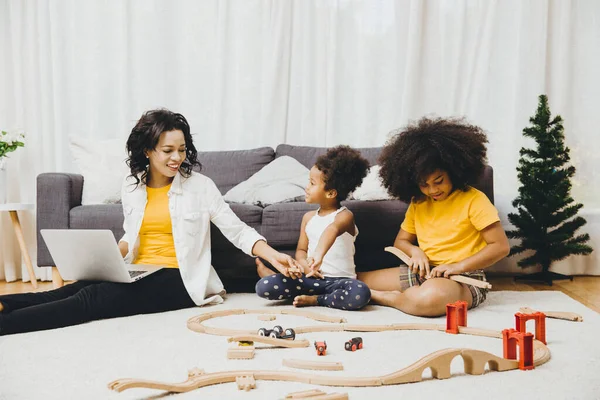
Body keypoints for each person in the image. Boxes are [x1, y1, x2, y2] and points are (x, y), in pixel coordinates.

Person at [0, 109, 299, 336]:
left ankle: (7, 325)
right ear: (147, 150)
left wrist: (273, 255)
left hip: (178, 278)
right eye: (168, 150)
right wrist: (106, 257)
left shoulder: (201, 186)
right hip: (138, 269)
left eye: (182, 149)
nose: (177, 157)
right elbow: (131, 236)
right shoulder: (132, 186)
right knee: (74, 288)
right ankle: (5, 304)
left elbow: (237, 230)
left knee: (91, 299)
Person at [357, 117, 510, 317]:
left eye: (439, 181)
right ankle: (398, 294)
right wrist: (416, 252)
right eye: (424, 184)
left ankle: (382, 297)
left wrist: (457, 266)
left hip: (462, 277)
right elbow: (401, 241)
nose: (432, 190)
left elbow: (500, 247)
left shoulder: (475, 200)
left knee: (428, 301)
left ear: (453, 171)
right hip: (423, 272)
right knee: (354, 279)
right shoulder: (419, 202)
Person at [256, 145, 372, 310]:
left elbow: (331, 230)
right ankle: (281, 280)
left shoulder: (345, 216)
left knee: (361, 293)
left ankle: (318, 300)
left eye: (312, 183)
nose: (307, 187)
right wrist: (304, 266)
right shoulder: (308, 218)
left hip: (340, 282)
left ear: (331, 193)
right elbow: (301, 251)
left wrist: (318, 255)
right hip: (310, 279)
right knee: (264, 287)